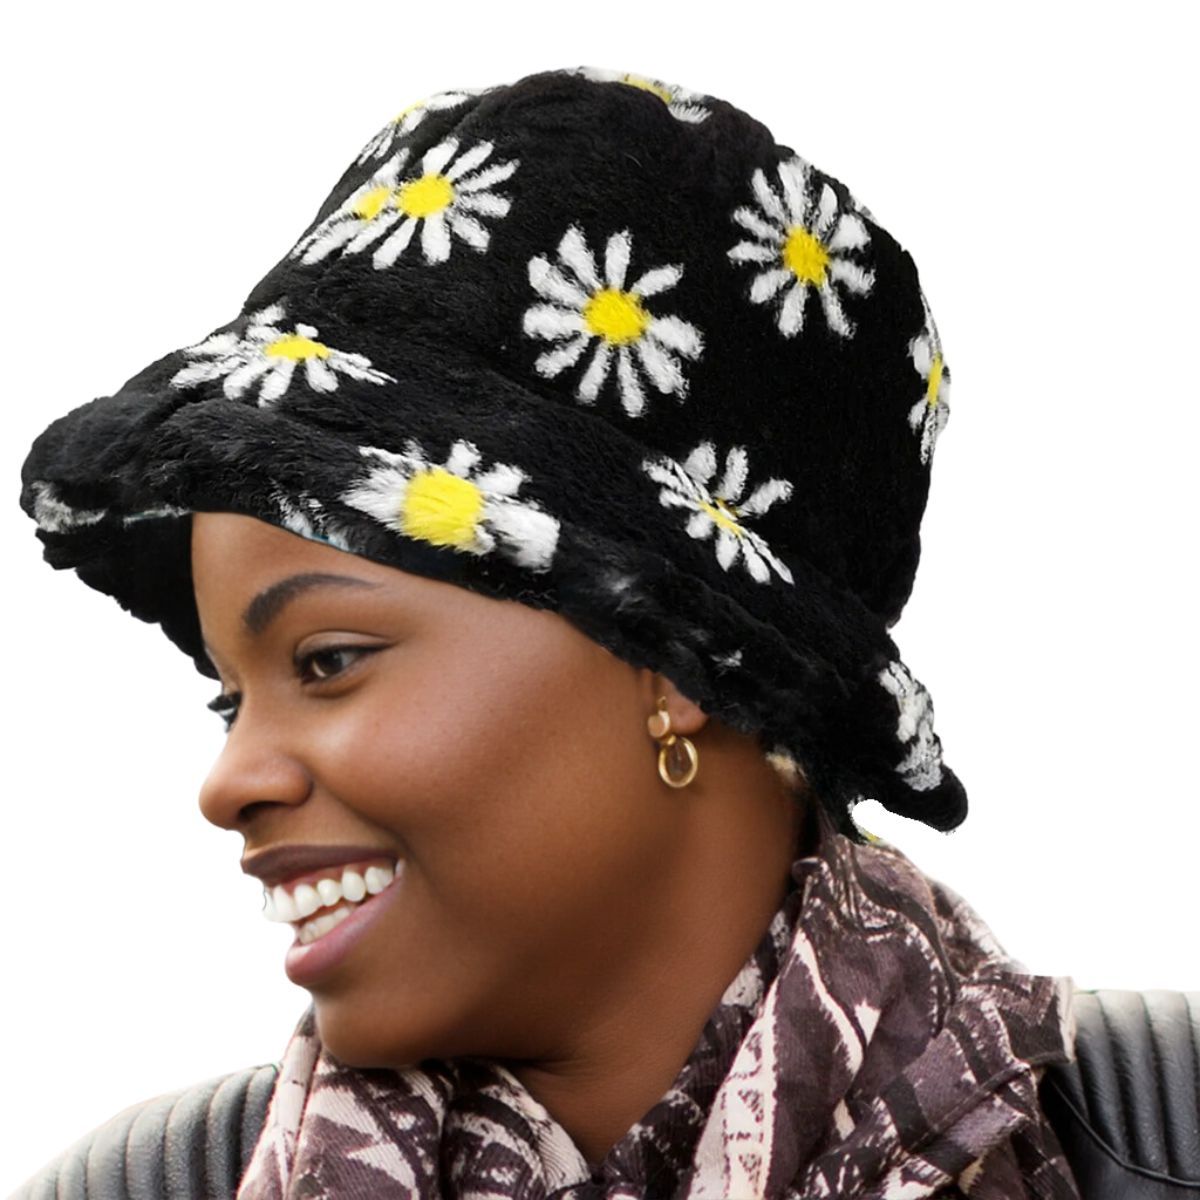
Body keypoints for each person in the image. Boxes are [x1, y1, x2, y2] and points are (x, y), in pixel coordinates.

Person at [17, 65, 1081, 1198]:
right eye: (230, 699)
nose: (228, 783)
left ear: (683, 657)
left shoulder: (1165, 1135)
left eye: (326, 662)